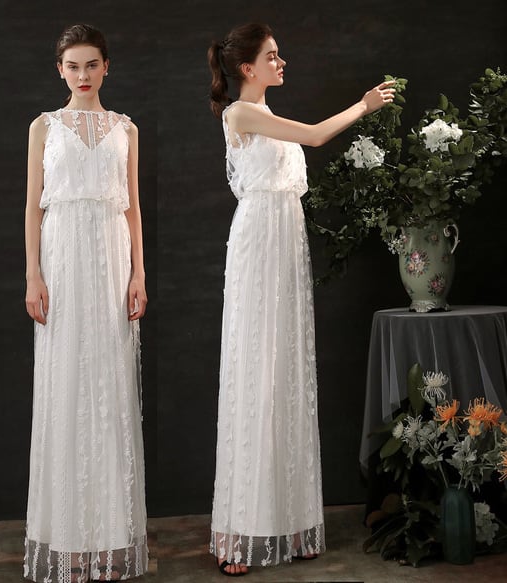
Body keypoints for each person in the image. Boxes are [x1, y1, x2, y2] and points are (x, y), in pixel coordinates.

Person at [207, 23, 395, 577]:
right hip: (259, 243)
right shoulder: (240, 114)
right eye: (272, 56)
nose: (281, 61)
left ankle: (290, 521)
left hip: (286, 241)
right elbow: (314, 136)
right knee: (256, 372)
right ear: (248, 68)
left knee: (286, 370)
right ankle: (240, 531)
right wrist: (363, 106)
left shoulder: (264, 114)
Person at [23, 24, 148, 582]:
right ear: (60, 70)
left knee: (110, 390)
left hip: (112, 262)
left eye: (91, 64)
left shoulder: (126, 128)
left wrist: (139, 272)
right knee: (66, 387)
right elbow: (33, 207)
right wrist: (33, 274)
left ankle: (109, 540)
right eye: (73, 66)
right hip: (63, 262)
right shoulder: (43, 127)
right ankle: (70, 543)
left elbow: (132, 207)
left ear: (106, 67)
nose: (82, 75)